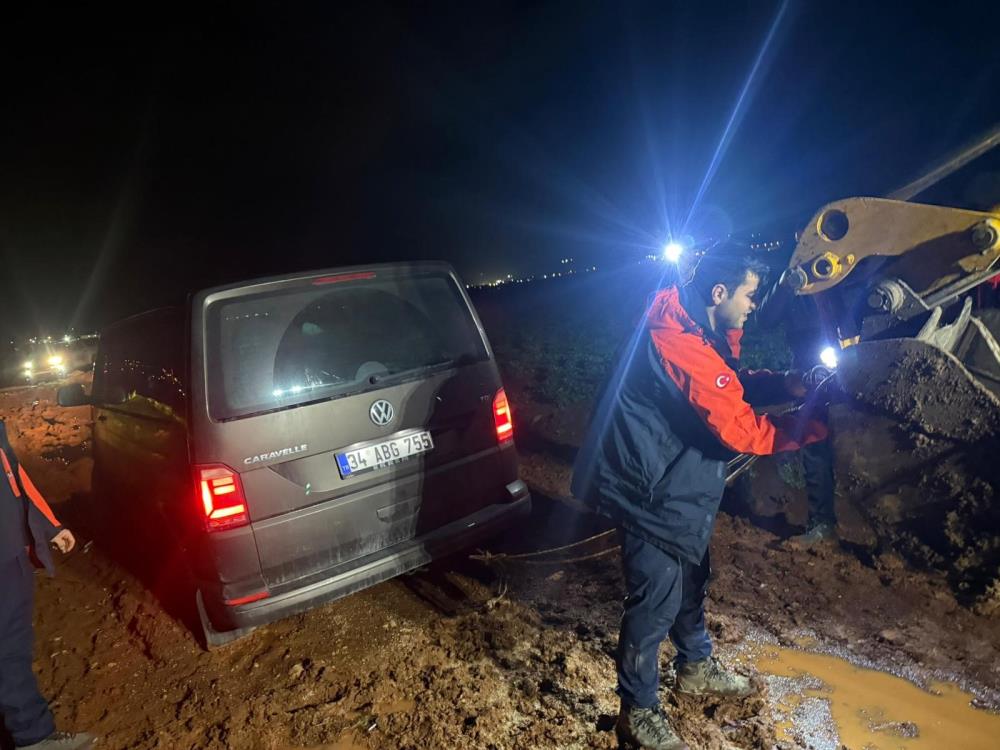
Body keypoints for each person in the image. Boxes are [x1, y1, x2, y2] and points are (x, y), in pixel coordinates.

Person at [571, 244, 828, 750]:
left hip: (675, 480)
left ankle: (695, 665)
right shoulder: (675, 339)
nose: (755, 305)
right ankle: (637, 712)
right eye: (750, 295)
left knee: (691, 576)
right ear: (719, 292)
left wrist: (784, 383)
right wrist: (811, 428)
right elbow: (739, 427)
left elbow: (724, 381)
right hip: (650, 490)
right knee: (654, 603)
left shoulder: (691, 324)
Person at [0, 420, 95, 750]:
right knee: (8, 646)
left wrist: (49, 525)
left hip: (10, 548)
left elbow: (14, 477)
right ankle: (33, 738)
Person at [755, 264, 839, 544]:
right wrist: (787, 283)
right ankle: (823, 523)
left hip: (851, 355)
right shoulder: (794, 275)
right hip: (809, 365)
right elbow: (765, 319)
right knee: (815, 439)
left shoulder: (849, 262)